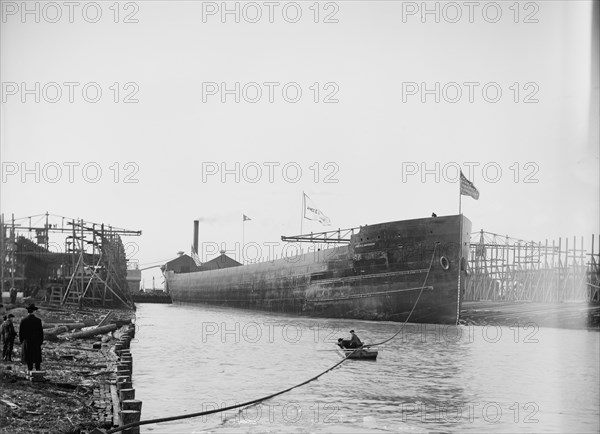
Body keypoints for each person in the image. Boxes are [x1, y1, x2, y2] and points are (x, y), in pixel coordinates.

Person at [19, 303, 44, 372]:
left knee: (29, 357)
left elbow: (21, 333)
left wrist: (22, 341)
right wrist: (40, 342)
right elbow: (40, 333)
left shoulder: (23, 321)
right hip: (36, 342)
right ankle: (38, 369)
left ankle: (30, 369)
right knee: (36, 357)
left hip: (27, 342)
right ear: (34, 311)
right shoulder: (38, 321)